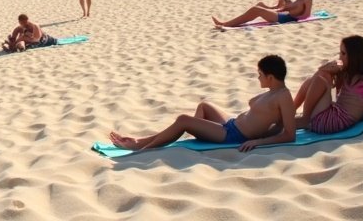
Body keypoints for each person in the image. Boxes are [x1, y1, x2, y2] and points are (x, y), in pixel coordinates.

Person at [109, 55, 296, 152]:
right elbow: (275, 126)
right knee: (204, 105)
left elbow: (289, 134)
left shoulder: (283, 97)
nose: (258, 77)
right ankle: (196, 135)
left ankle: (142, 147)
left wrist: (257, 141)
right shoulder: (273, 92)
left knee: (183, 120)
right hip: (232, 124)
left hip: (234, 136)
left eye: (260, 74)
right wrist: (262, 132)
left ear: (270, 77)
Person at [294, 36, 363, 134]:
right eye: (340, 53)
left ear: (355, 55)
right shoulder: (347, 72)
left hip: (337, 121)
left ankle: (305, 118)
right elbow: (334, 94)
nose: (340, 57)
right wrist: (331, 70)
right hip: (330, 114)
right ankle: (293, 111)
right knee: (314, 78)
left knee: (321, 77)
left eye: (343, 53)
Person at [212, 0, 314, 28]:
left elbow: (307, 14)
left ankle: (226, 24)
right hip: (284, 16)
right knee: (255, 10)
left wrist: (296, 19)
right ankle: (226, 23)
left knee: (256, 9)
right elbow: (289, 9)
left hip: (287, 19)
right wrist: (279, 10)